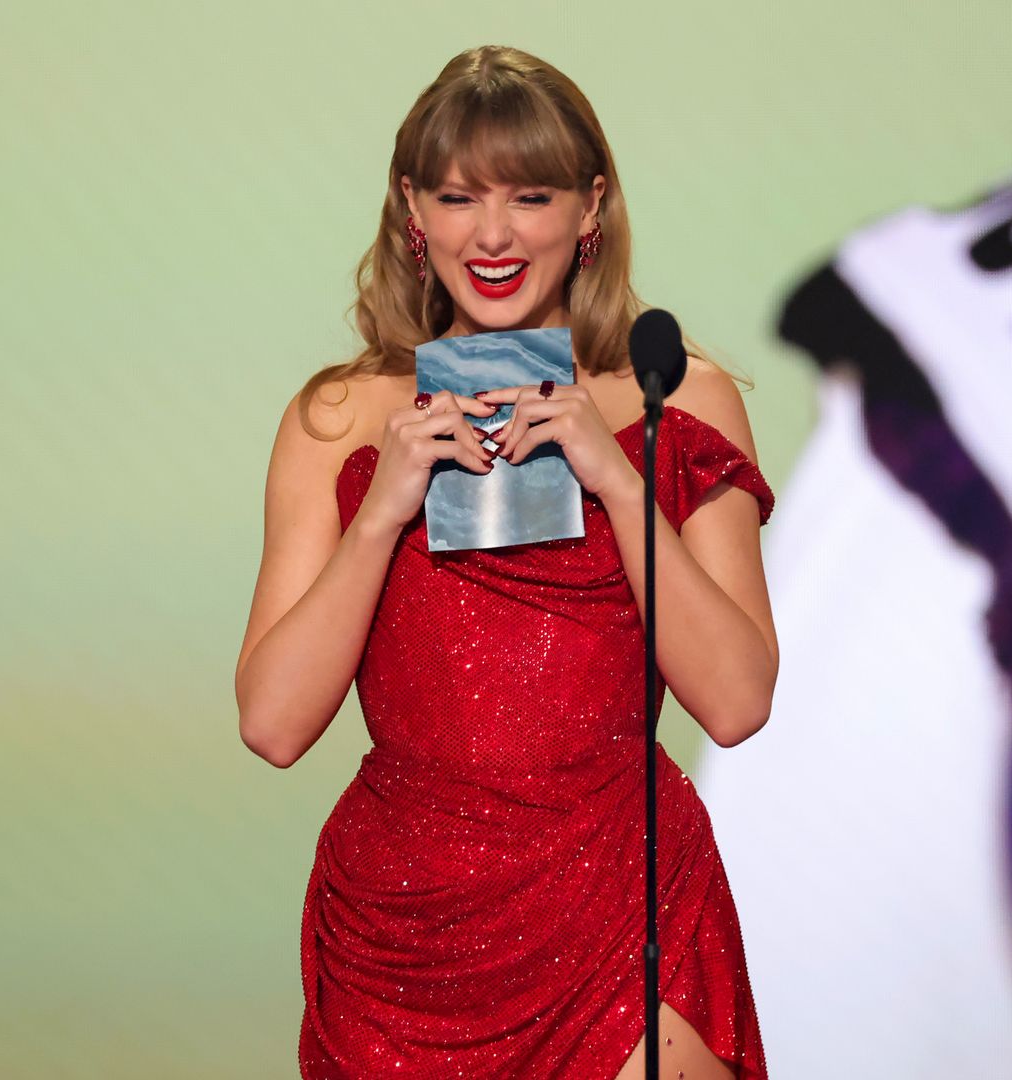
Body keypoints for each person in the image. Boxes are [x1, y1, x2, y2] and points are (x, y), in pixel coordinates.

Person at [236, 45, 777, 1080]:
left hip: (625, 904)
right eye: (457, 196)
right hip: (406, 945)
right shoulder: (338, 420)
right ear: (412, 212)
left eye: (531, 195)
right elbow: (271, 724)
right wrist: (379, 514)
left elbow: (739, 701)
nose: (492, 234)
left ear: (591, 209)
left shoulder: (679, 398)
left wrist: (617, 481)